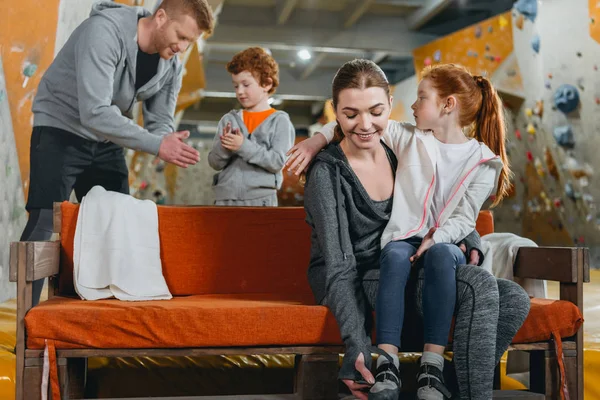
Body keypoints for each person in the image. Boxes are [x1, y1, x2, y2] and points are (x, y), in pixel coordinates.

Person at [301, 59, 529, 400]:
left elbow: (442, 199)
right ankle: (433, 375)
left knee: (515, 299)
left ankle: (442, 379)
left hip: (420, 264)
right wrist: (358, 345)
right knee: (480, 284)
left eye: (376, 111)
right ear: (336, 112)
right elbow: (338, 266)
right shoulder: (331, 171)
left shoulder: (396, 149)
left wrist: (467, 237)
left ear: (388, 107)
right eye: (350, 115)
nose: (365, 125)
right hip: (367, 274)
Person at [21, 0, 214, 305]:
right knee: (46, 222)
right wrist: (156, 144)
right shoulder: (104, 32)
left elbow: (159, 120)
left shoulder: (171, 64)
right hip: (61, 128)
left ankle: (94, 329)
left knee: (117, 222)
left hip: (106, 139)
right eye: (181, 36)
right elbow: (94, 111)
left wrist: (167, 139)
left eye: (190, 42)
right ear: (160, 17)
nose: (182, 47)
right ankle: (26, 324)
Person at [208, 47, 295, 206]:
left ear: (267, 83)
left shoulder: (280, 121)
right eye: (236, 86)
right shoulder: (228, 120)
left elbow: (277, 162)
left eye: (246, 84)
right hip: (224, 200)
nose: (240, 91)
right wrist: (225, 148)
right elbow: (214, 162)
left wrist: (242, 146)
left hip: (261, 201)